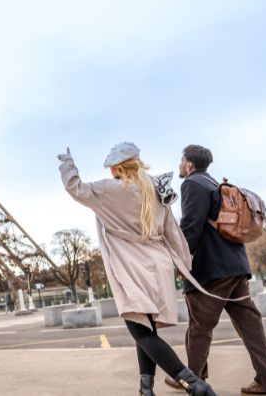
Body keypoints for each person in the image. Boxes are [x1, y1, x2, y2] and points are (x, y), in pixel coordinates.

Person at [59, 143, 217, 396]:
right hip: (159, 264)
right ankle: (146, 390)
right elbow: (173, 232)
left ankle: (195, 385)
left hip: (132, 268)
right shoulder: (155, 187)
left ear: (117, 167)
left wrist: (68, 164)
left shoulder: (109, 189)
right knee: (145, 329)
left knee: (141, 332)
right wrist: (183, 263)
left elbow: (75, 188)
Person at [166, 144, 266, 395]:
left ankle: (191, 379)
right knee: (251, 328)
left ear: (188, 165)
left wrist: (179, 263)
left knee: (199, 327)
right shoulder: (216, 184)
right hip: (236, 266)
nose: (179, 166)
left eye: (180, 161)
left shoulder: (192, 184)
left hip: (211, 270)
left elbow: (190, 229)